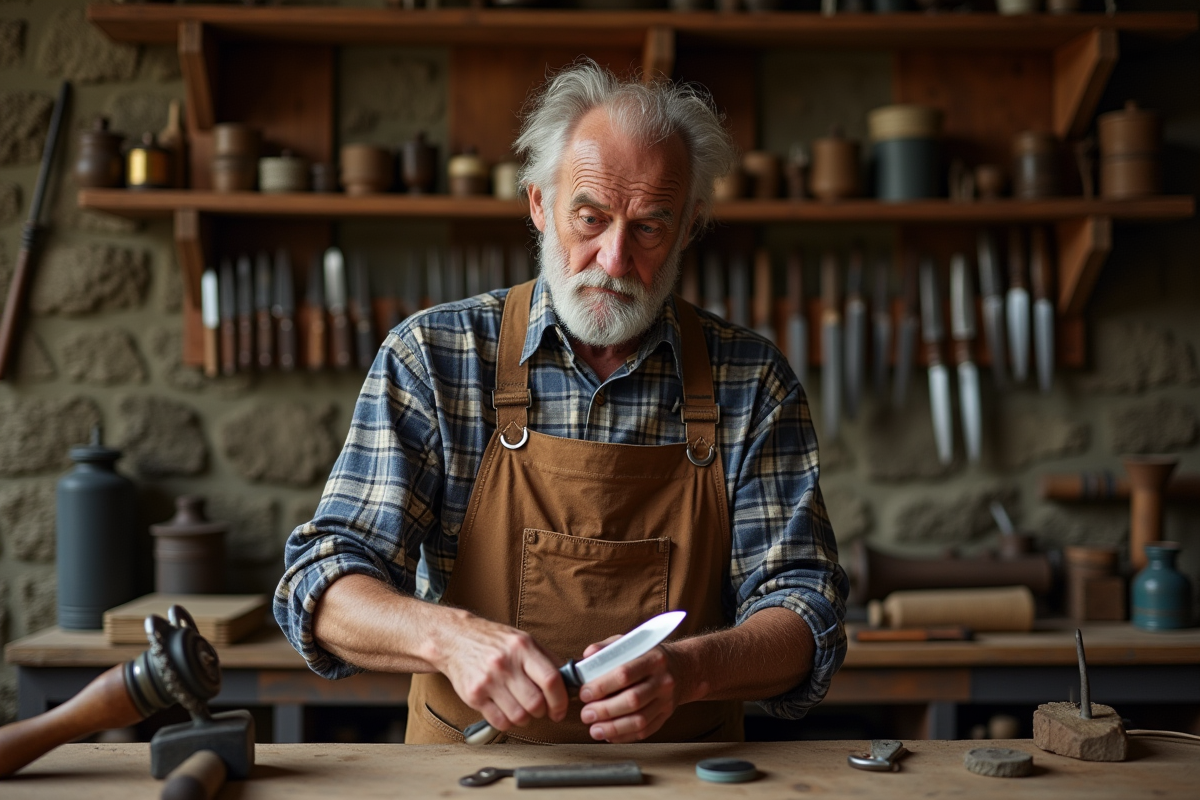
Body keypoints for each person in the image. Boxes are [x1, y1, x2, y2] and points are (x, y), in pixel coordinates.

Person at [275, 62, 848, 745]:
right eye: (590, 218)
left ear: (689, 226)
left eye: (649, 227)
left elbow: (806, 608)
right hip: (468, 778)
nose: (613, 259)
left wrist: (692, 670)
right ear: (540, 205)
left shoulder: (750, 381)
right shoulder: (435, 356)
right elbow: (322, 582)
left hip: (681, 779)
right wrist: (449, 639)